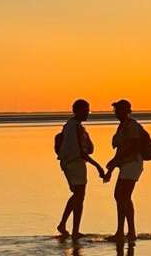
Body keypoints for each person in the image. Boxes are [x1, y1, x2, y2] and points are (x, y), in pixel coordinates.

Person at [57, 99, 106, 239]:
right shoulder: (75, 127)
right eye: (85, 110)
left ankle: (64, 225)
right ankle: (74, 230)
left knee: (78, 195)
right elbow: (82, 152)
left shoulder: (72, 125)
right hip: (74, 163)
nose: (87, 113)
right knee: (79, 196)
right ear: (77, 111)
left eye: (88, 110)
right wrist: (98, 167)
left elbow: (89, 149)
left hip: (71, 163)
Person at [103, 99, 147, 243]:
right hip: (125, 165)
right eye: (116, 110)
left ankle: (128, 232)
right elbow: (120, 150)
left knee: (123, 196)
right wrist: (111, 168)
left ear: (127, 111)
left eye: (119, 110)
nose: (116, 113)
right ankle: (123, 231)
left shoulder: (132, 125)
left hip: (132, 164)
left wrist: (114, 162)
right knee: (121, 196)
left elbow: (132, 146)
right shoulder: (122, 126)